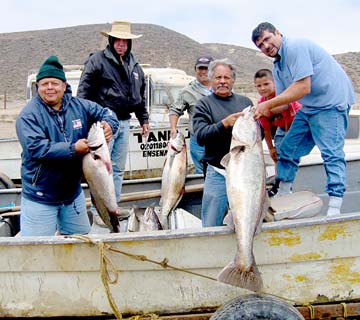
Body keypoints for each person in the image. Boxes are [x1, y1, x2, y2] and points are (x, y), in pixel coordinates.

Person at [251, 22, 356, 216]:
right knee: (288, 147)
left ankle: (335, 205)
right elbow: (282, 104)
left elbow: (302, 88)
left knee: (331, 153)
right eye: (260, 45)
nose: (265, 46)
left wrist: (268, 104)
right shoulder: (278, 66)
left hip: (331, 104)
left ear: (278, 33)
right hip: (310, 107)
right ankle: (283, 191)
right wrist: (262, 110)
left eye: (267, 39)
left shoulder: (295, 47)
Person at [16, 55, 119, 236]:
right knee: (38, 252)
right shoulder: (28, 115)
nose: (49, 88)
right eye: (44, 83)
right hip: (40, 196)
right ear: (37, 87)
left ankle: (112, 224)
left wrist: (109, 124)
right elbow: (37, 148)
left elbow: (106, 112)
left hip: (72, 194)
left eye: (54, 83)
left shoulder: (79, 106)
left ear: (64, 86)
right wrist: (73, 149)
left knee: (80, 243)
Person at [77, 21, 150, 206]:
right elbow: (84, 91)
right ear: (110, 40)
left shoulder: (134, 65)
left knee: (117, 169)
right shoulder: (97, 60)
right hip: (103, 125)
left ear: (129, 43)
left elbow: (139, 95)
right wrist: (86, 119)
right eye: (117, 40)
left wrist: (144, 119)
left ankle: (113, 208)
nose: (121, 44)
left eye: (125, 41)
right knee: (99, 170)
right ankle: (99, 212)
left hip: (125, 122)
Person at [193, 58, 253, 227]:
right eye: (218, 78)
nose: (222, 82)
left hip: (244, 173)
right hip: (217, 172)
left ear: (233, 80)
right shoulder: (203, 105)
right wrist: (224, 124)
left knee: (246, 220)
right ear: (211, 80)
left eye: (227, 78)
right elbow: (201, 136)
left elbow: (258, 135)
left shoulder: (245, 103)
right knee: (211, 223)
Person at [254, 68, 301, 196]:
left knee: (288, 154)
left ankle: (286, 186)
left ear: (274, 82)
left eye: (266, 84)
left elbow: (289, 122)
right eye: (259, 86)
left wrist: (286, 143)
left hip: (295, 125)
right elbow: (266, 129)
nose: (263, 88)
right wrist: (271, 149)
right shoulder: (261, 104)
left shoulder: (283, 96)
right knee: (277, 157)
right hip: (280, 128)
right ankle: (277, 183)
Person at [169, 56, 214, 174]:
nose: (203, 71)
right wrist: (173, 128)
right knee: (200, 171)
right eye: (200, 68)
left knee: (220, 170)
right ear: (195, 70)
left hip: (218, 138)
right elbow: (175, 110)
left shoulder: (221, 87)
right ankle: (201, 192)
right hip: (199, 140)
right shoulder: (187, 91)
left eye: (207, 68)